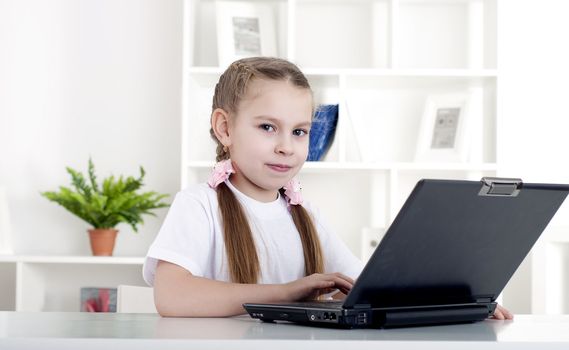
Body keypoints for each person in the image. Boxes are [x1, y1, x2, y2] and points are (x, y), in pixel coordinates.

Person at [143, 57, 513, 320]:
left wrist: (454, 303)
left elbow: (366, 285)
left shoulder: (304, 213)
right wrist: (286, 293)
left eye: (299, 131)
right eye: (268, 127)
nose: (287, 146)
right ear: (224, 128)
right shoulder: (199, 204)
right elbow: (171, 295)